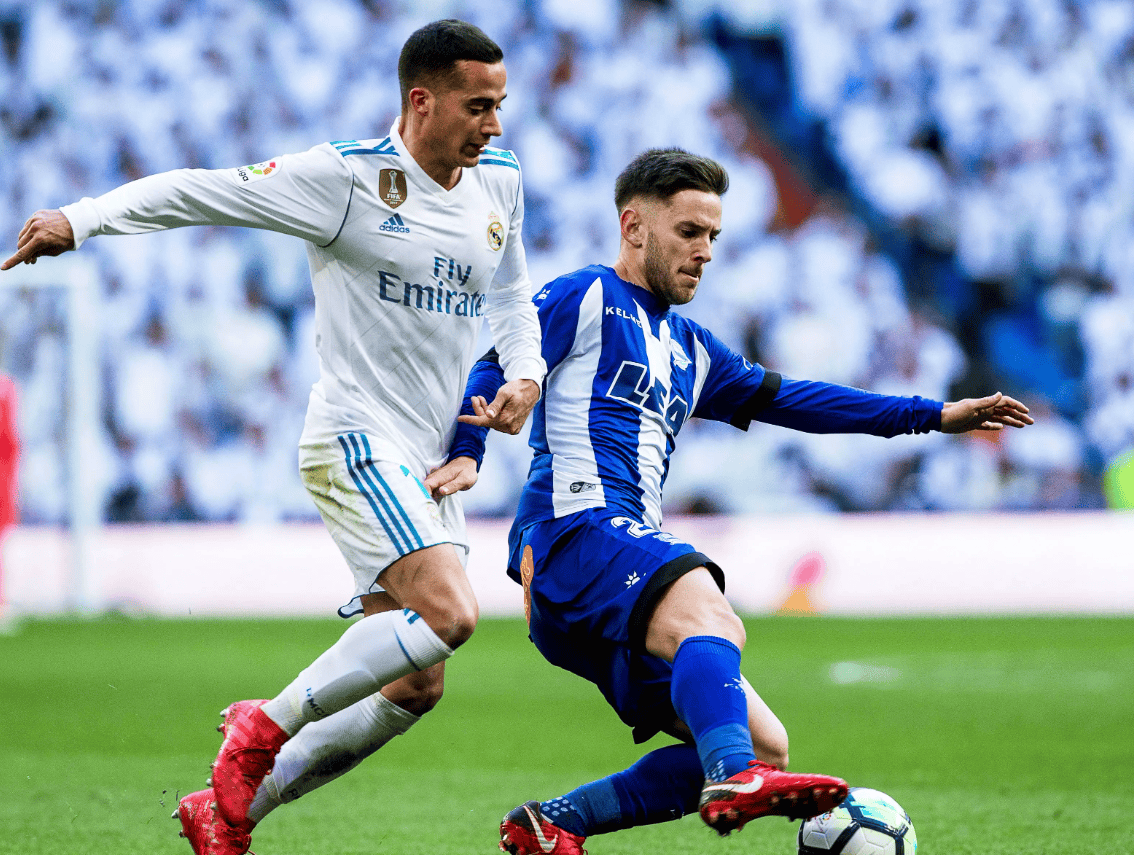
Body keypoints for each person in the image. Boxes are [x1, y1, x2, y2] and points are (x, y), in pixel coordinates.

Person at [2, 19, 546, 855]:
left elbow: (510, 294)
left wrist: (526, 374)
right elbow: (204, 191)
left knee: (416, 683)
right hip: (353, 436)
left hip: (427, 462)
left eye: (500, 105)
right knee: (452, 613)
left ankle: (227, 814)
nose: (495, 125)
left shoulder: (499, 180)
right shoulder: (346, 179)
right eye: (479, 106)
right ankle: (263, 724)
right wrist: (83, 218)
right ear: (421, 100)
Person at [434, 148, 1033, 853]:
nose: (706, 252)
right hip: (573, 531)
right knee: (710, 611)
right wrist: (468, 451)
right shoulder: (585, 295)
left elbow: (798, 401)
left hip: (609, 571)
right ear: (634, 227)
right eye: (689, 232)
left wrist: (930, 415)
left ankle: (556, 821)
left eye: (714, 236)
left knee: (766, 743)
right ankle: (732, 778)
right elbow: (498, 362)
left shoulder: (693, 348)